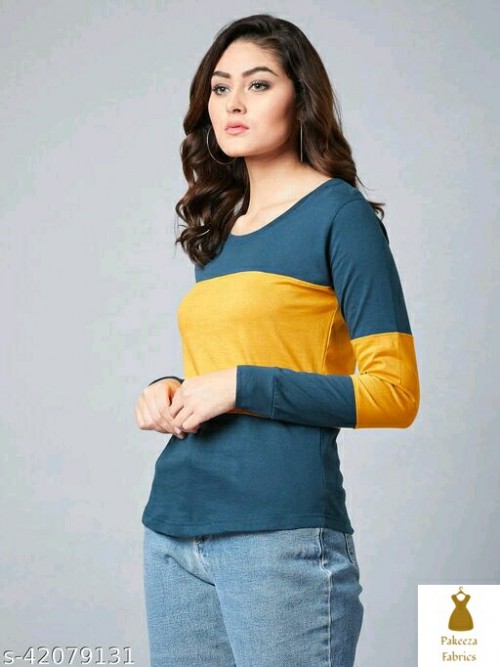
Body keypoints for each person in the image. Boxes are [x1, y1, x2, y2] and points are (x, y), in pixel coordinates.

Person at [134, 13, 420, 667]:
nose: (233, 103)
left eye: (258, 84)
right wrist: (170, 388)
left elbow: (396, 393)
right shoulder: (220, 229)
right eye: (220, 87)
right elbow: (228, 365)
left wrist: (241, 386)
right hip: (174, 526)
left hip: (279, 533)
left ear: (301, 98)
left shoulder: (340, 216)